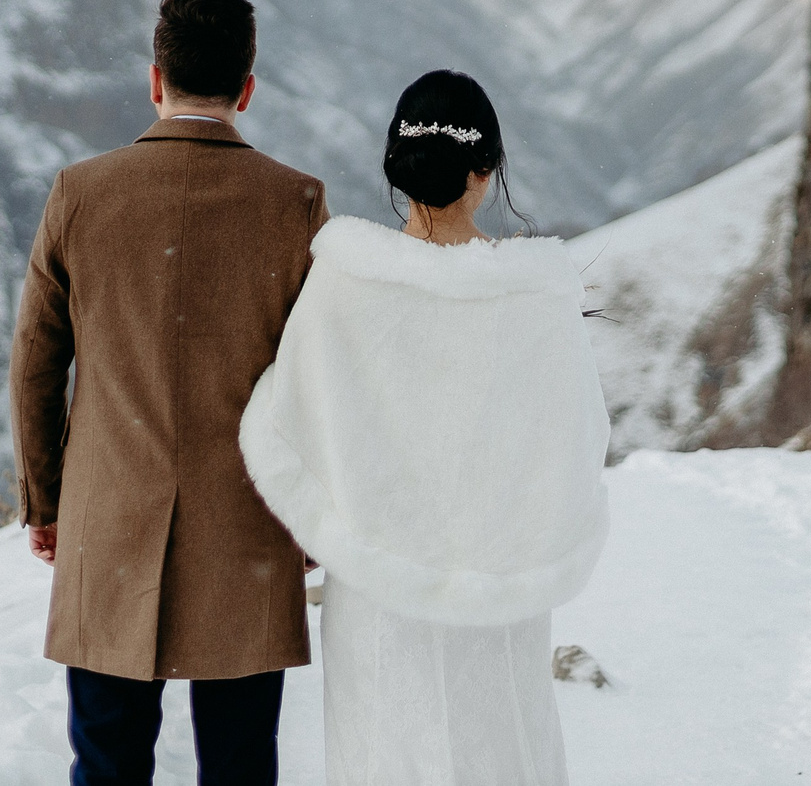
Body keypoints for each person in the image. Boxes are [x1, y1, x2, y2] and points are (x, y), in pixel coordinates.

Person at [239, 71, 611, 786]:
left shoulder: (345, 282)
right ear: (487, 170)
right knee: (499, 752)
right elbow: (578, 442)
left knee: (385, 753)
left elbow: (285, 421)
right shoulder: (538, 300)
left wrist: (339, 517)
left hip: (379, 592)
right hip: (498, 593)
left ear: (397, 169)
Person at [9, 0, 330, 786]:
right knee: (240, 767)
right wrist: (314, 511)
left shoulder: (80, 192)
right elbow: (322, 376)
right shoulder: (296, 202)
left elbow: (36, 362)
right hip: (250, 531)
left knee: (108, 767)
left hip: (109, 524)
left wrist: (47, 502)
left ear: (156, 79)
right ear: (247, 87)